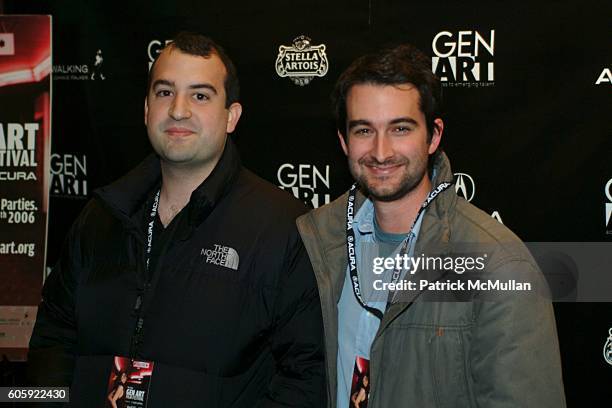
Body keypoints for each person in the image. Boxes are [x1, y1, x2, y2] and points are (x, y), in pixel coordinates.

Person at [28, 32, 325, 407]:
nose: (178, 110)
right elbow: (52, 340)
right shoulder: (100, 216)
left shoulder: (281, 227)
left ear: (231, 116)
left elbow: (305, 377)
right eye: (165, 92)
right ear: (147, 109)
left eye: (200, 95)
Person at [296, 44, 566, 407]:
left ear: (434, 136)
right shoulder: (317, 240)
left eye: (400, 128)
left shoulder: (498, 263)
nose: (380, 151)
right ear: (344, 141)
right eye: (363, 130)